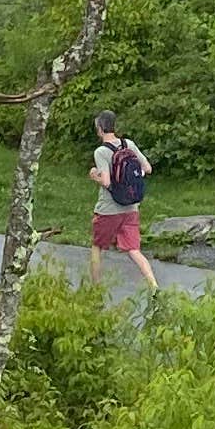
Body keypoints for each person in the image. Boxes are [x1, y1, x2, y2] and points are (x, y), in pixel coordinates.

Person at [86, 110, 158, 294]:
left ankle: (95, 290)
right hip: (131, 207)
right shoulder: (129, 144)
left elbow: (107, 182)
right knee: (133, 249)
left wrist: (94, 176)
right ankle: (154, 287)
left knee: (97, 247)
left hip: (109, 209)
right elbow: (147, 168)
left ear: (100, 129)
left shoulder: (101, 152)